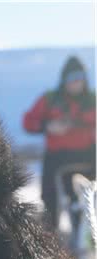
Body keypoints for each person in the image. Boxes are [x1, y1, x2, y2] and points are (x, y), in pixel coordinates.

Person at [23, 56, 95, 232]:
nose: (76, 83)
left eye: (80, 78)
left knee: (87, 198)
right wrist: (47, 126)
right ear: (64, 79)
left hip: (87, 156)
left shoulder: (93, 100)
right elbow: (27, 122)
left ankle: (86, 237)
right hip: (56, 157)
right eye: (72, 78)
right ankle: (52, 236)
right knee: (50, 199)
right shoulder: (49, 99)